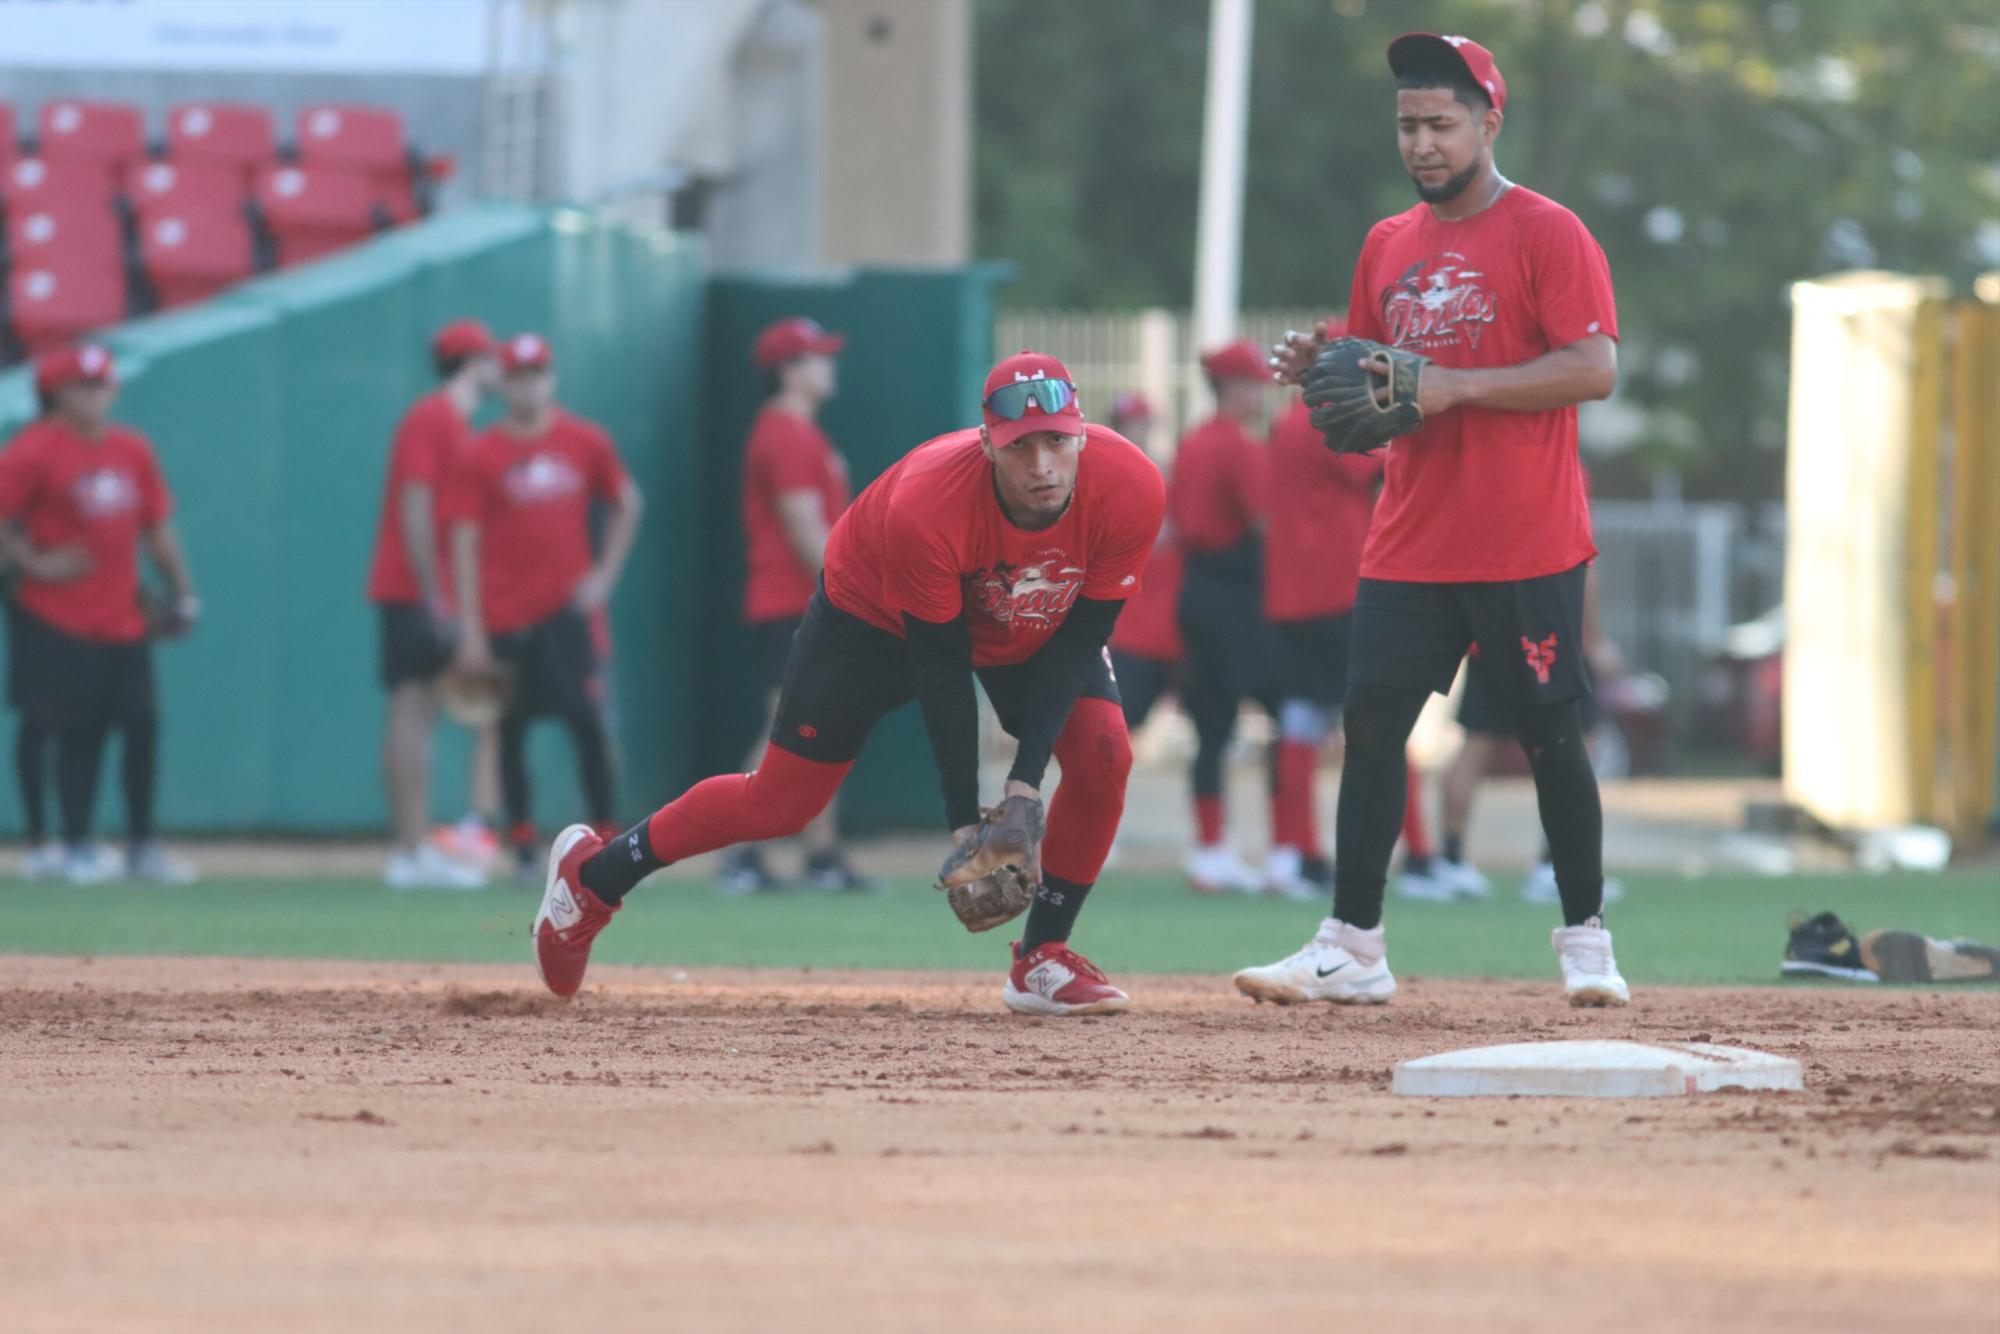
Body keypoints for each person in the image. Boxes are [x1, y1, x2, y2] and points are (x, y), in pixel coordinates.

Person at [528, 351, 1165, 1016]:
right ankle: (592, 879)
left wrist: (1023, 786)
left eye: (1057, 442)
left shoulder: (1132, 487)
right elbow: (942, 667)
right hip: (875, 615)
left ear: (1082, 434)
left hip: (1029, 615)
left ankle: (1042, 959)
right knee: (782, 802)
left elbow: (1081, 639)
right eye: (1019, 447)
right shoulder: (929, 503)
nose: (1041, 467)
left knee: (1104, 757)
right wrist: (961, 826)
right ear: (985, 444)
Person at [1235, 32, 1629, 1008]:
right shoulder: (1386, 243)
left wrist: (1454, 385)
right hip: (1409, 535)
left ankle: (1584, 938)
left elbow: (1593, 367)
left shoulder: (1547, 231)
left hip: (1523, 534)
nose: (1420, 142)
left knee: (1543, 732)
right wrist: (1322, 370)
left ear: (1488, 122)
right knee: (1369, 727)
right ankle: (1351, 943)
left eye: (1440, 123)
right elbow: (1381, 387)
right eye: (1407, 124)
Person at [0, 344, 200, 883]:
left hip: (123, 616)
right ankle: (76, 844)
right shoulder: (34, 450)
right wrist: (31, 562)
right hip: (57, 617)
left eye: (103, 384)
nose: (96, 395)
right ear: (58, 394)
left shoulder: (132, 449)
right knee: (74, 731)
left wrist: (182, 591)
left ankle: (141, 843)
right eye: (84, 386)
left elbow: (156, 527)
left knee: (142, 725)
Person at [446, 333, 643, 875]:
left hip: (568, 617)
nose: (529, 386)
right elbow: (464, 539)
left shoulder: (585, 441)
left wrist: (604, 576)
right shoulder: (480, 452)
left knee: (587, 723)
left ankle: (608, 840)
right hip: (506, 615)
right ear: (504, 384)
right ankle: (525, 844)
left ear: (550, 380)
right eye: (518, 376)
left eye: (538, 375)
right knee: (510, 731)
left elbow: (627, 503)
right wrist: (470, 629)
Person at [715, 316, 871, 894]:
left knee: (823, 726)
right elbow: (805, 530)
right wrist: (853, 597)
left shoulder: (803, 432)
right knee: (786, 730)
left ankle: (821, 855)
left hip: (808, 601)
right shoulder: (783, 433)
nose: (829, 366)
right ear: (789, 370)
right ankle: (733, 851)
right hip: (794, 602)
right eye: (816, 357)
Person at [367, 319, 499, 890]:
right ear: (474, 362)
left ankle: (416, 845)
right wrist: (433, 593)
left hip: (427, 588)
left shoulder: (457, 422)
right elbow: (415, 504)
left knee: (422, 714)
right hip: (414, 589)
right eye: (489, 358)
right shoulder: (434, 416)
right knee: (412, 712)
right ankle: (410, 848)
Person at [1261, 348, 1384, 897]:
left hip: (1289, 596)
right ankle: (1420, 854)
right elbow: (1381, 468)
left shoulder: (1283, 424)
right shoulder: (1334, 419)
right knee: (1377, 721)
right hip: (1340, 590)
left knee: (1298, 723)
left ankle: (1296, 851)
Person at [1167, 340, 1281, 895]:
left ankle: (1210, 849)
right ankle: (1287, 850)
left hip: (1196, 591)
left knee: (1211, 727)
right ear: (1236, 387)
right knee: (1289, 714)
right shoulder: (1239, 446)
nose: (1262, 392)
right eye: (1255, 383)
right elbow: (1265, 525)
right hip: (1238, 596)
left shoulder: (1191, 443)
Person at [1104, 392, 1180, 733]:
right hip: (1128, 627)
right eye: (1127, 425)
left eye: (1140, 424)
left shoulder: (1167, 474)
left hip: (1174, 618)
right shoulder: (1103, 478)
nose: (1135, 432)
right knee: (1118, 721)